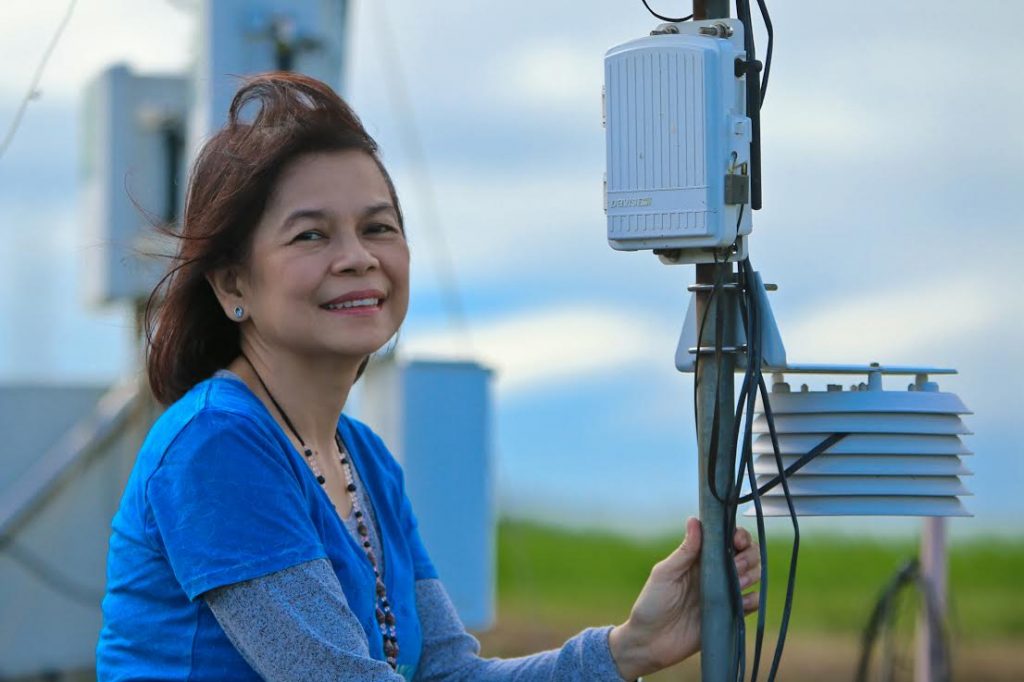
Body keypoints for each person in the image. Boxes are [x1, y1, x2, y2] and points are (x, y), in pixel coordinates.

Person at [95, 72, 760, 682]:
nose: (357, 259)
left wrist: (629, 648)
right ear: (233, 282)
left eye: (377, 227)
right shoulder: (218, 446)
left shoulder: (365, 460)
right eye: (310, 236)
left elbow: (448, 675)